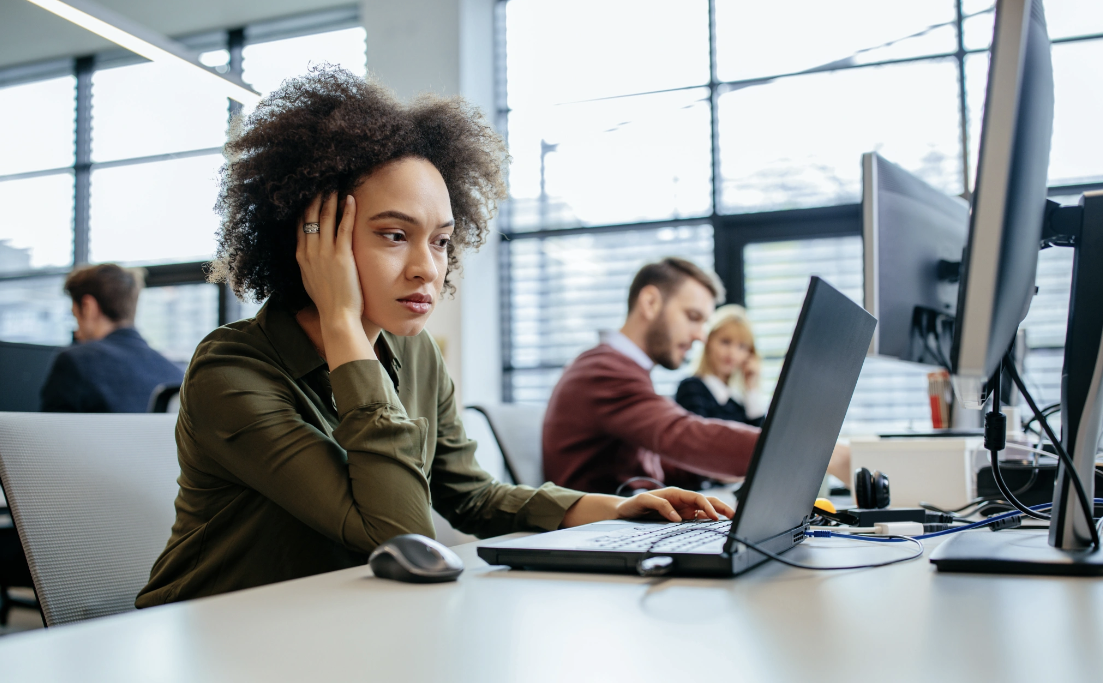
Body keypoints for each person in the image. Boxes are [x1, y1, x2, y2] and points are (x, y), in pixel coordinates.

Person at [136, 68, 731, 608]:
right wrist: (343, 324)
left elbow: (470, 496)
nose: (428, 268)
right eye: (395, 235)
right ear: (312, 240)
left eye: (442, 241)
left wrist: (612, 510)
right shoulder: (229, 371)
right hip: (214, 640)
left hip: (341, 626)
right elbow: (400, 534)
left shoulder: (413, 352)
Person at [543, 258, 851, 494]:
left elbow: (654, 460)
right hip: (597, 539)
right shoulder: (603, 371)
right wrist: (818, 451)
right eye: (693, 318)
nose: (701, 336)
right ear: (650, 303)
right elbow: (684, 435)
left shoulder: (623, 368)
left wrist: (711, 469)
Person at [39, 263, 183, 413]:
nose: (76, 332)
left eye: (75, 316)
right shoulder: (176, 373)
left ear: (88, 307)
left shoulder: (74, 362)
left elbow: (48, 434)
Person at [675, 304, 765, 426]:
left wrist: (751, 388)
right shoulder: (692, 388)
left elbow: (759, 439)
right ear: (708, 342)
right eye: (725, 342)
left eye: (742, 347)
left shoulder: (739, 402)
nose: (732, 353)